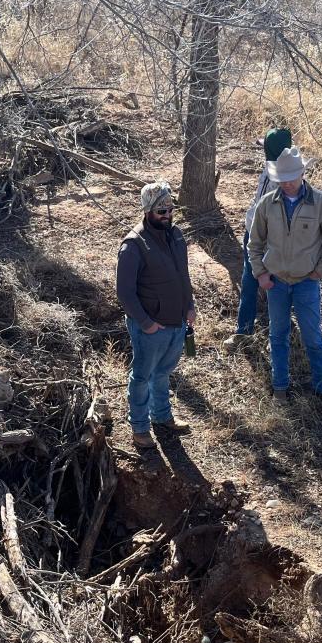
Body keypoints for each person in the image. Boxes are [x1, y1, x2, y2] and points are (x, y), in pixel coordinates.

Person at [247, 146, 322, 410]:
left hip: (306, 282)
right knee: (278, 336)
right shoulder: (267, 203)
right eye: (282, 178)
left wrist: (318, 272)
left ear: (303, 172)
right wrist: (261, 274)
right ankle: (280, 387)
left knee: (313, 337)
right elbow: (254, 244)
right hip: (275, 282)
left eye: (292, 177)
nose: (287, 183)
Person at [115, 181, 197, 452]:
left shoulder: (176, 236)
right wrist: (147, 323)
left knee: (163, 373)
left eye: (170, 209)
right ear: (148, 210)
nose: (167, 215)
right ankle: (139, 428)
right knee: (142, 376)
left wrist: (190, 306)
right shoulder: (133, 245)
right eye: (161, 211)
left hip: (176, 322)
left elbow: (183, 276)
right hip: (150, 327)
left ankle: (162, 416)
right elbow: (125, 293)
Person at [224, 128, 291, 353]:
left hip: (268, 240)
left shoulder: (287, 178)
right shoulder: (270, 167)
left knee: (268, 283)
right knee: (249, 281)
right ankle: (244, 332)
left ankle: (275, 337)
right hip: (253, 234)